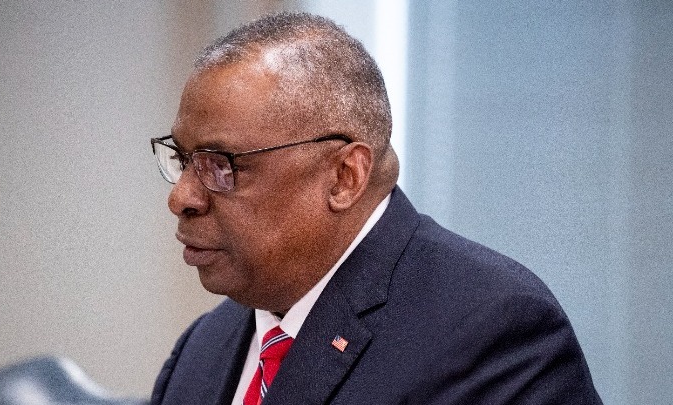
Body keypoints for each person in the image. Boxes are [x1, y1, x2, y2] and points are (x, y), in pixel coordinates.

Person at [149, 12, 602, 405]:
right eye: (183, 160)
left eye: (220, 166)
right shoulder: (202, 350)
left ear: (344, 177)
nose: (181, 197)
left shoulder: (492, 332)